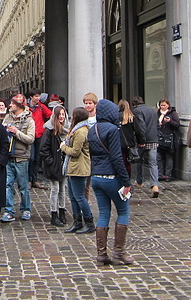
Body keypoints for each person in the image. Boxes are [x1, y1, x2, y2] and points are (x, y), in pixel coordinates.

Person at [88, 99, 134, 265]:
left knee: (104, 213)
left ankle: (101, 255)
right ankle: (119, 252)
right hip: (111, 177)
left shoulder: (92, 130)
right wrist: (126, 181)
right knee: (123, 211)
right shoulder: (113, 129)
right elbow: (116, 157)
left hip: (96, 177)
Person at [60, 103, 95, 234]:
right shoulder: (76, 129)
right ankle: (77, 222)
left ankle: (89, 222)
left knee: (79, 196)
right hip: (72, 167)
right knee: (73, 197)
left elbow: (75, 151)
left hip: (79, 167)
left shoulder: (81, 131)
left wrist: (63, 146)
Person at [0, 97, 36, 223]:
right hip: (8, 157)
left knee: (23, 186)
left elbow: (30, 139)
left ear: (19, 105)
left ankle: (26, 209)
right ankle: (8, 211)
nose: (10, 105)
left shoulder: (29, 120)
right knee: (7, 185)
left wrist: (16, 132)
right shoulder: (8, 117)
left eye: (12, 103)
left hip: (21, 158)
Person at [40, 104, 69, 227]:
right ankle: (54, 213)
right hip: (54, 164)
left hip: (63, 163)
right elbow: (43, 148)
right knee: (55, 188)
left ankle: (62, 211)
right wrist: (50, 161)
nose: (62, 117)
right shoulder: (49, 130)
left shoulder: (67, 129)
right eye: (60, 115)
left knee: (63, 188)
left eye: (63, 114)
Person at [131, 96, 160, 198]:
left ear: (134, 104)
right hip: (153, 139)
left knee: (139, 160)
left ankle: (139, 181)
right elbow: (157, 125)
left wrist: (141, 140)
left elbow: (141, 126)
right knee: (153, 163)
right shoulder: (152, 110)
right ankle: (155, 185)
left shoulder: (137, 111)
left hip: (143, 140)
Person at [27, 88, 52, 190]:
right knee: (31, 158)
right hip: (30, 134)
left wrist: (46, 126)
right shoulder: (26, 107)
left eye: (39, 96)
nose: (38, 98)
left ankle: (34, 179)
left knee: (37, 158)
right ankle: (28, 179)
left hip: (39, 134)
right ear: (31, 97)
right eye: (36, 96)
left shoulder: (41, 107)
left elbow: (50, 115)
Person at [157, 99, 180, 182]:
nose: (162, 107)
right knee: (159, 157)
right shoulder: (158, 113)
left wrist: (170, 121)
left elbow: (177, 124)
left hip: (170, 138)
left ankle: (168, 176)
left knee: (169, 158)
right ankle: (160, 175)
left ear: (168, 105)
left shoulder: (172, 113)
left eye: (164, 105)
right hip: (160, 137)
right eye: (161, 105)